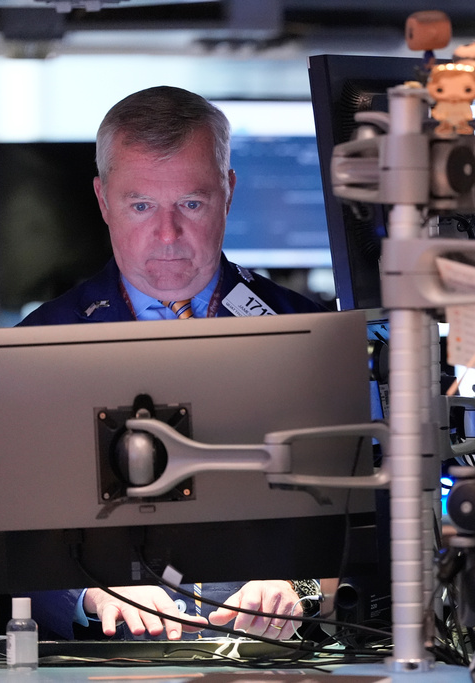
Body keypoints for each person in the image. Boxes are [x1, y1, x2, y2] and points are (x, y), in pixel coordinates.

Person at [19, 85, 327, 641]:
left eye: (191, 203)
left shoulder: (311, 335)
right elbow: (3, 533)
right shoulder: (34, 347)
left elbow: (367, 516)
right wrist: (88, 589)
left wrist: (300, 585)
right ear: (103, 200)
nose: (167, 234)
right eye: (141, 206)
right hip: (104, 663)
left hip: (275, 658)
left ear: (228, 193)